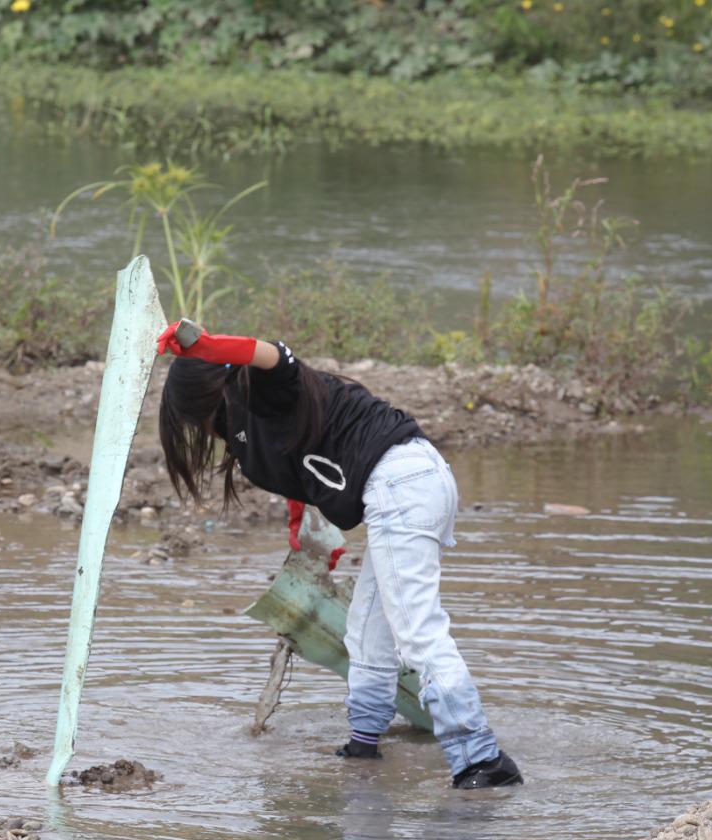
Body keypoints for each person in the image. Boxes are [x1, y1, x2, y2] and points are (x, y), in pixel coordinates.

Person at [155, 322, 523, 790]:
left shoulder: (267, 390)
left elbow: (275, 354)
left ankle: (482, 760)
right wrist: (304, 534)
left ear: (211, 397)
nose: (202, 432)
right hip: (409, 483)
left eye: (196, 420)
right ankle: (363, 744)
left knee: (417, 632)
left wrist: (205, 345)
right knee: (367, 630)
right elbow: (297, 467)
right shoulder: (255, 426)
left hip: (400, 485)